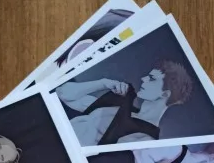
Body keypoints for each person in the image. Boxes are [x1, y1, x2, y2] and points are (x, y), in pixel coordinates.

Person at [55, 61, 193, 145]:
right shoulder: (121, 104)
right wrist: (103, 83)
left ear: (164, 94)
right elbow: (63, 94)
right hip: (50, 140)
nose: (143, 79)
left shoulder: (145, 138)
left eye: (151, 79)